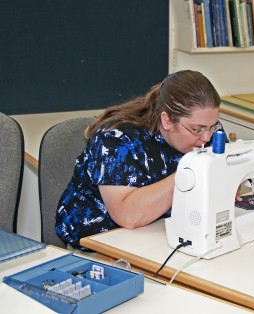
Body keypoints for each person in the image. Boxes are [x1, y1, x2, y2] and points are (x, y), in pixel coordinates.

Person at [56, 70, 225, 249]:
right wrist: (188, 174)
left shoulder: (209, 133)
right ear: (167, 121)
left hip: (161, 235)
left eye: (212, 126)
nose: (207, 137)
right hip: (98, 244)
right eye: (197, 129)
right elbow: (127, 216)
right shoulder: (117, 141)